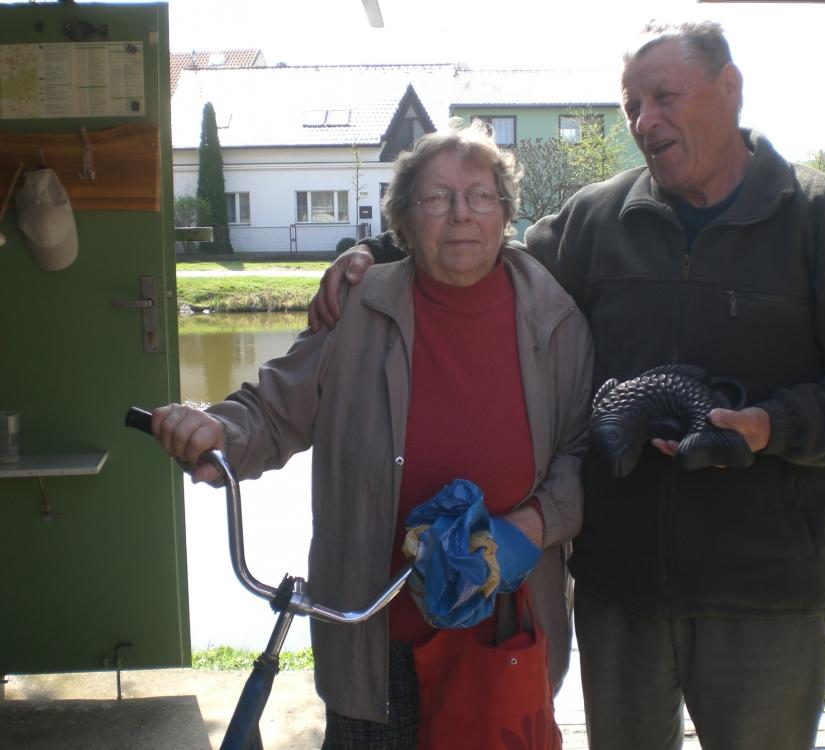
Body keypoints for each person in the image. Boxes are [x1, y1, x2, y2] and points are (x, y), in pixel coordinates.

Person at [307, 20, 825, 750]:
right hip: (619, 596)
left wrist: (775, 425)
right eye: (631, 106)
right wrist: (374, 252)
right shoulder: (595, 220)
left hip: (766, 598)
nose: (645, 121)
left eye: (664, 97)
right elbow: (476, 248)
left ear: (730, 88)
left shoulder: (824, 220)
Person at [152, 124, 593, 749]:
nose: (461, 214)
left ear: (505, 213)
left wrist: (529, 528)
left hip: (502, 627)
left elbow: (583, 455)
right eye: (436, 198)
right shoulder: (357, 309)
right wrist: (218, 430)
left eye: (480, 195)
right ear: (403, 220)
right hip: (373, 635)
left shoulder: (557, 319)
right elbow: (272, 412)